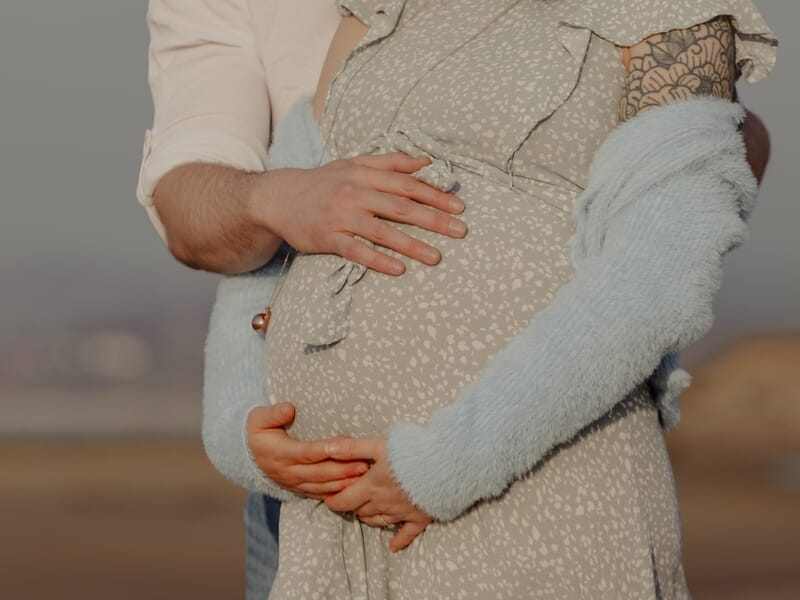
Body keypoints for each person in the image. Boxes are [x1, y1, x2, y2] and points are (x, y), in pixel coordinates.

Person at [139, 1, 776, 598]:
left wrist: (442, 466)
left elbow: (660, 272)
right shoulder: (382, 17)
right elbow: (272, 253)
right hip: (332, 530)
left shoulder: (675, 18)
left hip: (534, 494)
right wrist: (238, 433)